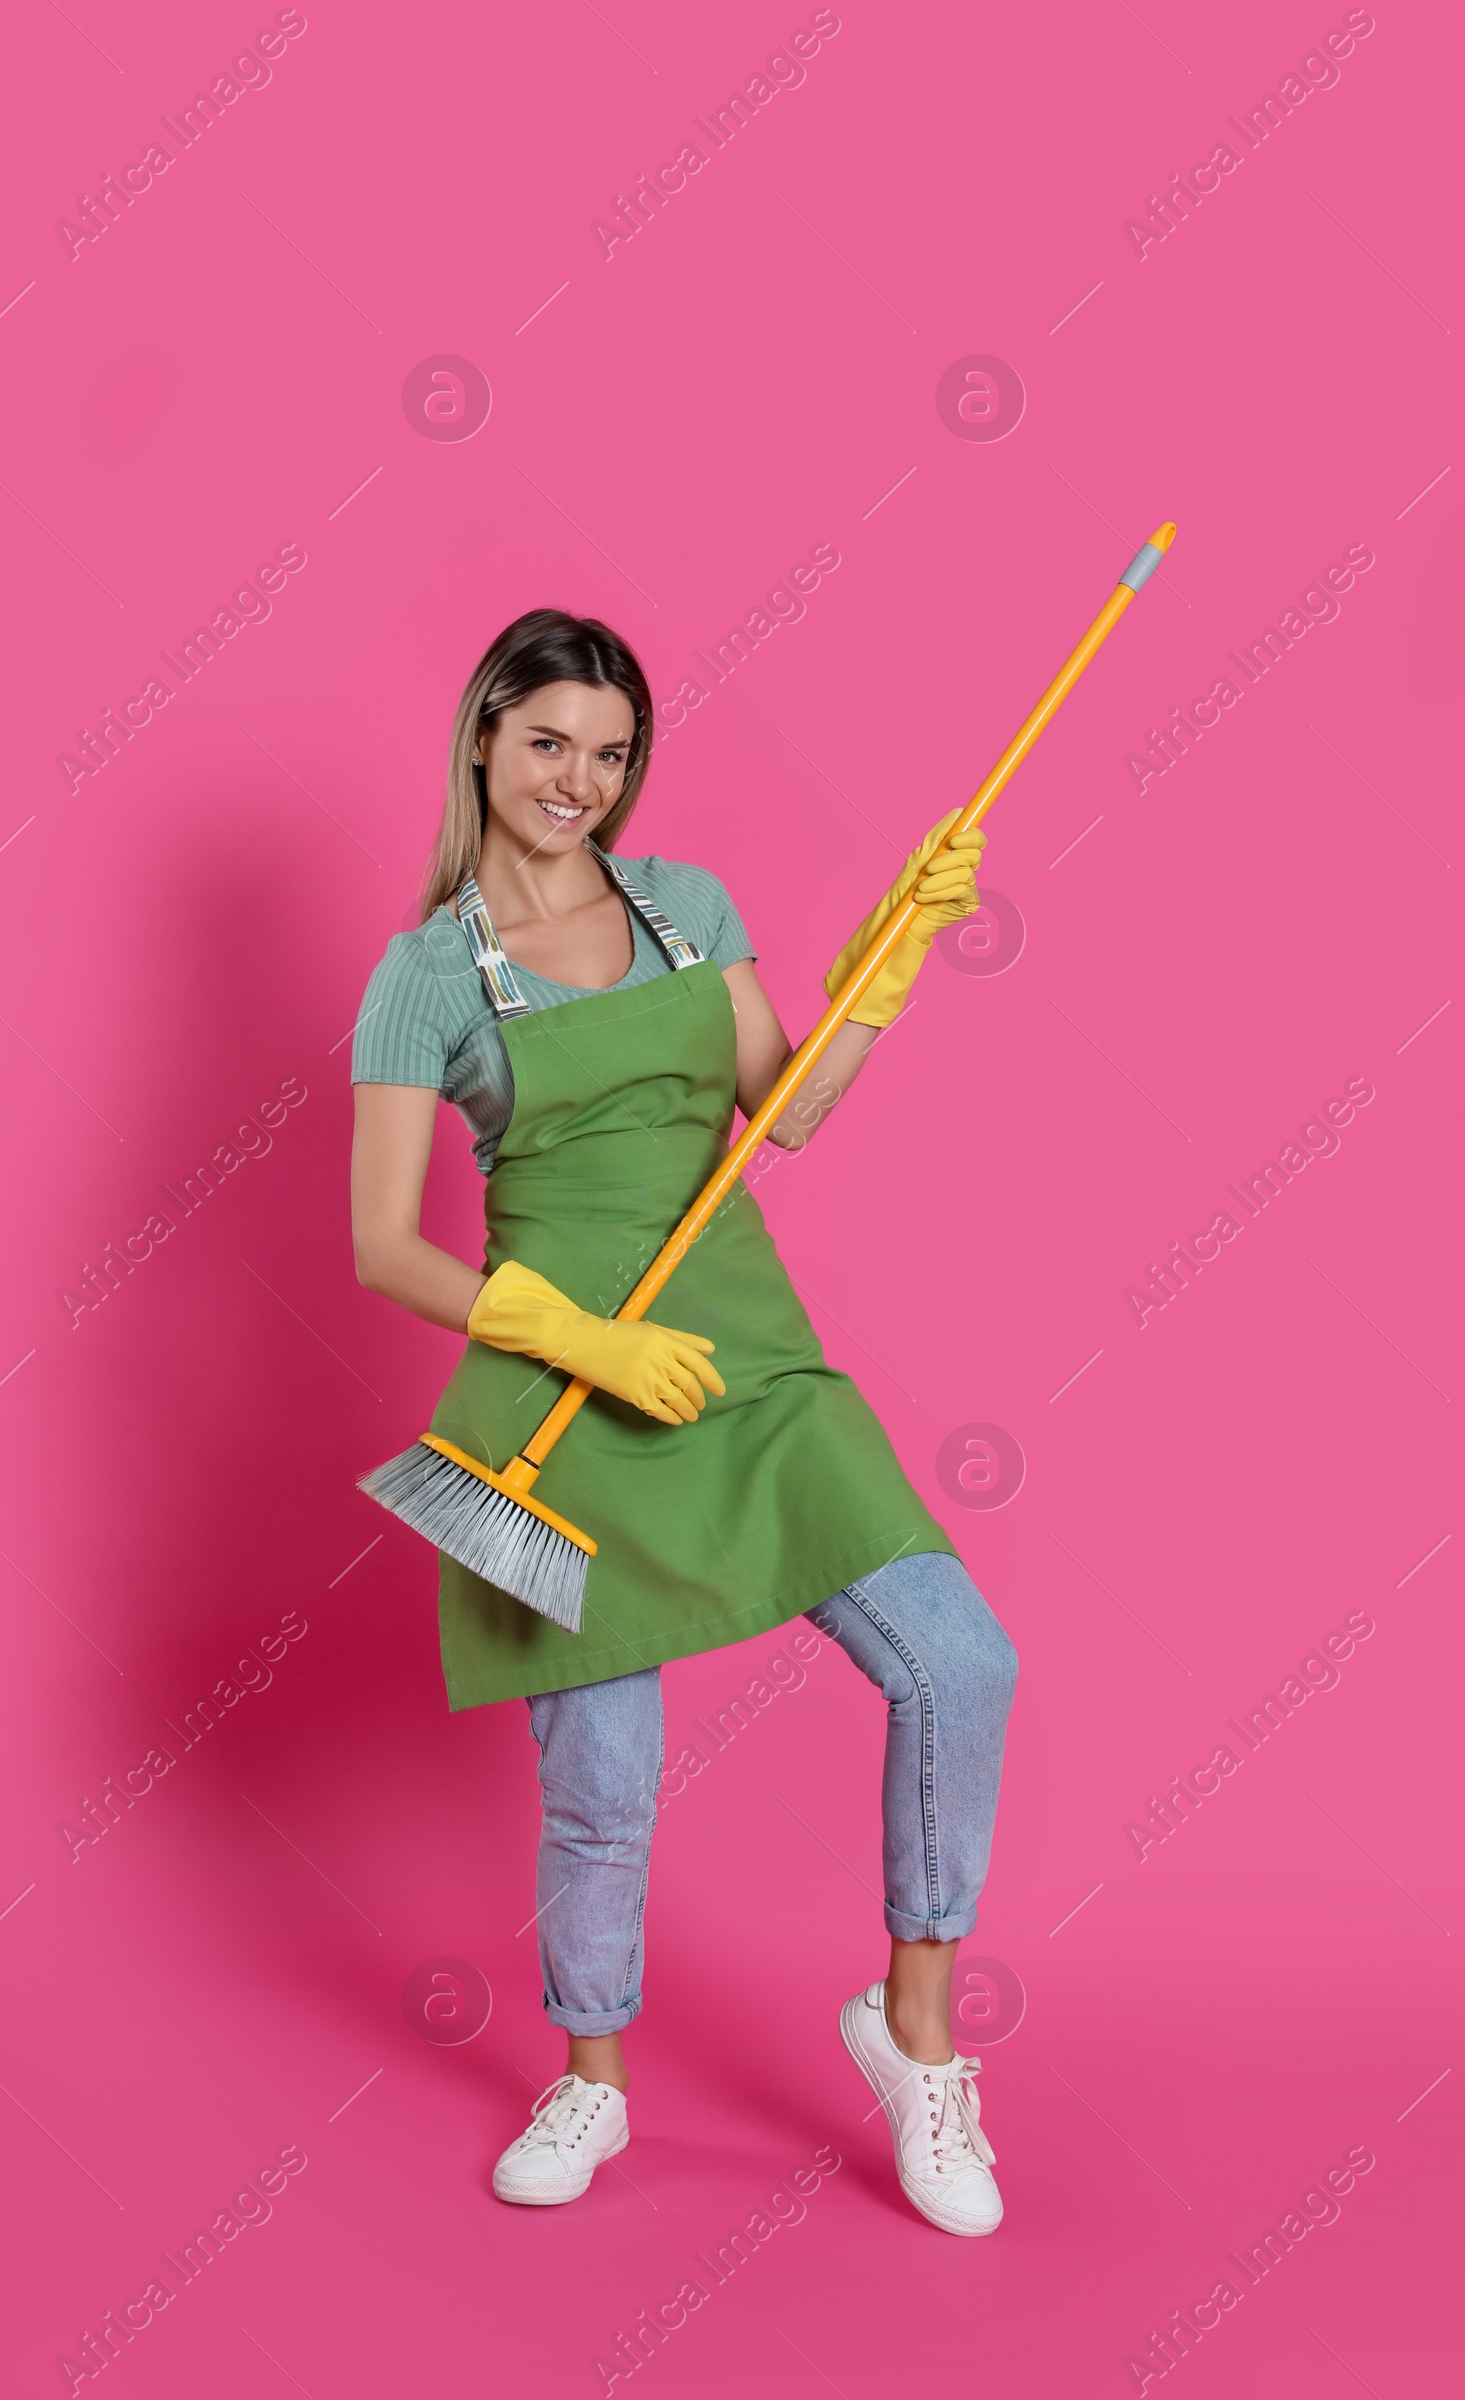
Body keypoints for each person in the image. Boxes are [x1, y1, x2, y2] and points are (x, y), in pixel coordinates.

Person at [349, 609, 1018, 2236]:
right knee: (603, 1780)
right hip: (554, 1404)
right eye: (551, 742)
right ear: (486, 737)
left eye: (613, 751)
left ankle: (917, 2032)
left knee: (961, 1658)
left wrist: (891, 957)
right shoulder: (426, 972)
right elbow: (379, 1244)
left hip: (747, 1364)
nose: (581, 779)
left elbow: (783, 1113)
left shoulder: (688, 910)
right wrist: (574, 1336)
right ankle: (591, 2077)